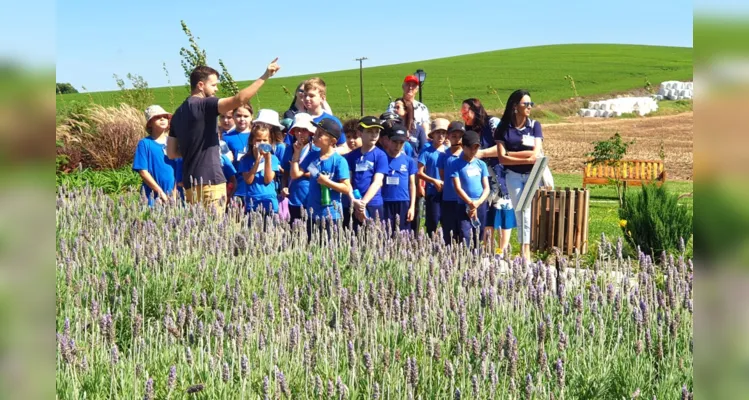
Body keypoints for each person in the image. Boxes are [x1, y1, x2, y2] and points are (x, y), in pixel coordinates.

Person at [167, 58, 280, 213]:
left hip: (190, 183)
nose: (216, 89)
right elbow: (239, 99)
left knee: (198, 232)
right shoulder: (205, 104)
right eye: (213, 85)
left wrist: (193, 150)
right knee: (214, 232)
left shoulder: (178, 114)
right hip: (211, 181)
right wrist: (265, 76)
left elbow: (172, 153)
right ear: (201, 85)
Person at [494, 89, 544, 262]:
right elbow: (502, 158)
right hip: (513, 175)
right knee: (519, 210)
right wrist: (525, 157)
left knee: (527, 211)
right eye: (526, 104)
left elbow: (536, 153)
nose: (529, 107)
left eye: (531, 104)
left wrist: (512, 155)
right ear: (515, 106)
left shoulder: (534, 125)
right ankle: (523, 249)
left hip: (531, 175)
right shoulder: (503, 128)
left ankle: (526, 251)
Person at [462, 98, 512, 253]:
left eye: (465, 112)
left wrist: (482, 153)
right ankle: (488, 247)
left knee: (502, 209)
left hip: (500, 173)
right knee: (487, 211)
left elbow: (504, 147)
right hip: (482, 176)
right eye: (461, 113)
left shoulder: (492, 123)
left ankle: (502, 250)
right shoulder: (470, 130)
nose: (464, 116)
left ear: (474, 110)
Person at [291, 118, 351, 241]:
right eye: (316, 132)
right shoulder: (312, 156)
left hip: (332, 214)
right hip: (312, 213)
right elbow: (295, 174)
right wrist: (296, 154)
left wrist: (327, 182)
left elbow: (346, 188)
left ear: (332, 141)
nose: (315, 136)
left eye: (320, 134)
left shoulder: (339, 161)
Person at [343, 116, 387, 231]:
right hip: (354, 203)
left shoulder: (380, 155)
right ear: (360, 133)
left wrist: (363, 204)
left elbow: (377, 182)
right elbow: (348, 182)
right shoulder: (352, 156)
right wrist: (354, 201)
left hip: (373, 203)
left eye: (376, 132)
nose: (374, 135)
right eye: (369, 131)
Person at [451, 130, 491, 247]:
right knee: (465, 234)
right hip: (464, 204)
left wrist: (477, 203)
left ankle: (476, 259)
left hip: (480, 204)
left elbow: (486, 187)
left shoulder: (481, 164)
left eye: (476, 148)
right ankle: (465, 259)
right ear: (463, 147)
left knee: (479, 234)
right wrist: (469, 203)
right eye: (471, 148)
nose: (473, 151)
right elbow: (457, 187)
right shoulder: (456, 164)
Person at [133, 105, 177, 206]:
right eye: (157, 117)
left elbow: (180, 168)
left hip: (174, 192)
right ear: (150, 124)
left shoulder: (173, 142)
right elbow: (143, 171)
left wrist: (175, 193)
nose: (162, 119)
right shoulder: (144, 144)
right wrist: (160, 192)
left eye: (165, 117)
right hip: (152, 195)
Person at [380, 123, 417, 234]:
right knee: (385, 234)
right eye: (395, 142)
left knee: (403, 235)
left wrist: (412, 206)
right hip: (385, 201)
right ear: (388, 140)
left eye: (401, 143)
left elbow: (412, 184)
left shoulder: (408, 161)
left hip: (403, 202)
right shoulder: (381, 158)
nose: (397, 146)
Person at [238, 123, 281, 216]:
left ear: (269, 141)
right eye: (258, 140)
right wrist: (257, 161)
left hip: (269, 201)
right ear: (252, 141)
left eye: (264, 140)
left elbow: (268, 179)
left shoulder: (273, 159)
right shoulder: (245, 159)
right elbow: (248, 180)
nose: (261, 143)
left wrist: (267, 159)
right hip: (253, 201)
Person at [281, 113, 317, 225]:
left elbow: (319, 173)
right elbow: (286, 172)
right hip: (294, 198)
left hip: (312, 197)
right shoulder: (290, 149)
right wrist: (284, 187)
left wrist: (300, 173)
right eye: (297, 130)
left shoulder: (316, 149)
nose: (300, 133)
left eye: (304, 130)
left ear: (310, 132)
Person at [417, 118, 449, 237]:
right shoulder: (427, 152)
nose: (440, 136)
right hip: (432, 191)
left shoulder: (448, 151)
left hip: (447, 192)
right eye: (438, 133)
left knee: (447, 221)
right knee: (433, 220)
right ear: (433, 134)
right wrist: (433, 181)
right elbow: (419, 172)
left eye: (443, 133)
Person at [438, 121, 466, 245]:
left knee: (464, 230)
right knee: (449, 231)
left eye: (460, 136)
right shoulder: (444, 155)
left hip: (463, 198)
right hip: (448, 198)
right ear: (448, 137)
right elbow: (442, 174)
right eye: (454, 136)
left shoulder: (466, 155)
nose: (457, 139)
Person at [302, 78, 347, 147]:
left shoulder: (332, 121)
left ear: (322, 98)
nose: (307, 98)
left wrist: (327, 154)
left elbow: (344, 146)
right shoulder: (299, 119)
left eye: (311, 96)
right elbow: (288, 146)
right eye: (305, 95)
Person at [223, 103, 253, 207]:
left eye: (245, 116)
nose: (242, 119)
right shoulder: (226, 137)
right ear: (233, 116)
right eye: (238, 115)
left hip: (253, 187)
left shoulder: (256, 135)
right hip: (236, 186)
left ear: (251, 117)